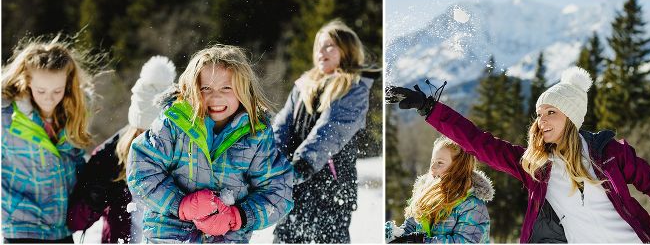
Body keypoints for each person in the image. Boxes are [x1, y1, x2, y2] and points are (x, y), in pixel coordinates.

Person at [388, 66, 650, 244]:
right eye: (540, 114)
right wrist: (429, 108)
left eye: (551, 113)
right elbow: (478, 142)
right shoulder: (535, 166)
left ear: (571, 117)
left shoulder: (609, 154)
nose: (543, 121)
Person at [127, 45, 293, 243]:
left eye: (226, 88)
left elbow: (277, 190)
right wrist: (179, 204)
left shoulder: (256, 135)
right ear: (192, 89)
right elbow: (142, 168)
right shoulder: (175, 123)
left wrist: (237, 216)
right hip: (168, 237)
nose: (216, 96)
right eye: (206, 88)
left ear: (243, 89)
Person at [272, 19, 375, 243]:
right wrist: (272, 159)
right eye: (319, 45)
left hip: (330, 188)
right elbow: (282, 126)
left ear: (346, 50)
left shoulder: (353, 87)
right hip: (294, 184)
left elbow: (331, 130)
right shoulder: (302, 86)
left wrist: (303, 163)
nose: (321, 50)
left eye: (329, 45)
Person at [67, 55, 177, 243]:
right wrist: (92, 199)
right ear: (136, 125)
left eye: (160, 134)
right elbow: (74, 221)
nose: (152, 142)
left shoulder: (184, 155)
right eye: (145, 132)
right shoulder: (109, 158)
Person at [1, 36, 95, 243]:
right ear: (27, 81)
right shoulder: (6, 116)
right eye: (41, 90)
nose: (49, 98)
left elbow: (77, 162)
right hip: (21, 227)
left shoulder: (73, 115)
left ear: (68, 85)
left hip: (61, 228)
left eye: (57, 91)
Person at [386, 135, 493, 243]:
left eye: (440, 163)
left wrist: (423, 241)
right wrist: (398, 235)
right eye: (432, 161)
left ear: (458, 168)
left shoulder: (472, 205)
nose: (432, 167)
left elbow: (466, 241)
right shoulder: (426, 194)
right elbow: (412, 225)